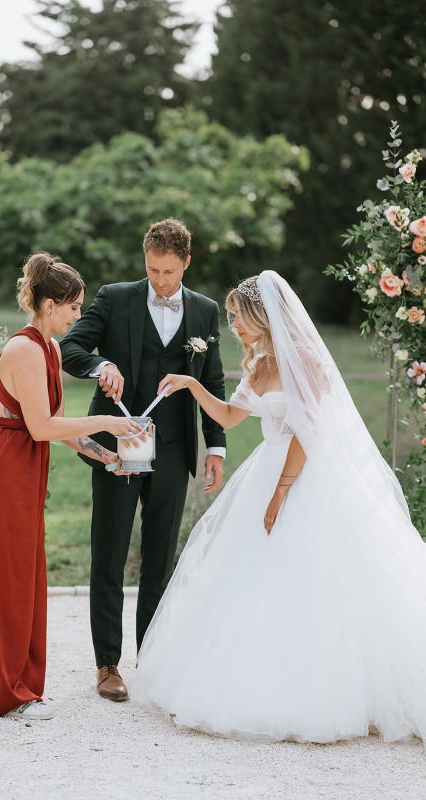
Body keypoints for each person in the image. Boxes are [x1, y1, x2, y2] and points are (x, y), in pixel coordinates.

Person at [132, 270, 426, 744]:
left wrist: (282, 490)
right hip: (269, 467)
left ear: (261, 316)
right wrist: (190, 384)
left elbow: (309, 431)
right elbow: (230, 416)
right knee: (252, 571)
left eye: (238, 319)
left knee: (312, 573)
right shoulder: (259, 365)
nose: (234, 329)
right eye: (230, 320)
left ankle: (332, 691)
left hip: (306, 474)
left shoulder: (306, 359)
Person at [0, 252, 141, 720]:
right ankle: (4, 694)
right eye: (73, 308)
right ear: (48, 304)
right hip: (3, 464)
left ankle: (13, 685)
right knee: (6, 578)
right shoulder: (22, 349)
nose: (78, 317)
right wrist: (106, 420)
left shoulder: (51, 348)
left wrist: (106, 457)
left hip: (23, 462)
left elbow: (54, 425)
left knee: (25, 575)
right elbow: (41, 427)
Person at [60, 218, 227, 701]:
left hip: (173, 450)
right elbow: (71, 347)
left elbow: (211, 380)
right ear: (145, 260)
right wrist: (101, 365)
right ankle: (107, 665)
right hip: (117, 444)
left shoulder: (205, 311)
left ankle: (152, 660)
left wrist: (214, 446)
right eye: (153, 270)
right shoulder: (115, 298)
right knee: (109, 553)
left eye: (170, 272)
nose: (161, 281)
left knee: (159, 561)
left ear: (186, 264)